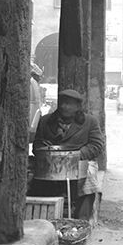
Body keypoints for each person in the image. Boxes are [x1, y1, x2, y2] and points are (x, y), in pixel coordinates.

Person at [30, 89, 104, 219]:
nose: (64, 106)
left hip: (80, 163)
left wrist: (76, 155)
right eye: (62, 103)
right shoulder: (45, 121)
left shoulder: (90, 122)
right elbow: (37, 145)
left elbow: (96, 145)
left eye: (69, 104)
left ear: (77, 107)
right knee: (34, 179)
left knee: (89, 181)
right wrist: (47, 151)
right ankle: (42, 218)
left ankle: (82, 221)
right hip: (50, 164)